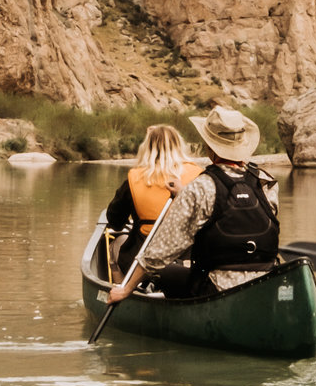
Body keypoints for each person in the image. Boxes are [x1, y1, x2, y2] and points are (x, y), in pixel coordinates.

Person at [105, 105, 280, 303]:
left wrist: (126, 289)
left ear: (209, 146)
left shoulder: (201, 187)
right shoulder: (266, 182)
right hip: (264, 280)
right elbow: (243, 221)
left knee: (162, 271)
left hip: (216, 286)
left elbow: (161, 250)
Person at [101, 125, 202, 279]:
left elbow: (115, 221)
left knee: (114, 245)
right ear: (179, 146)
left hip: (141, 262)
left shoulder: (135, 178)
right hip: (189, 259)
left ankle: (125, 294)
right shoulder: (200, 175)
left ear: (147, 148)